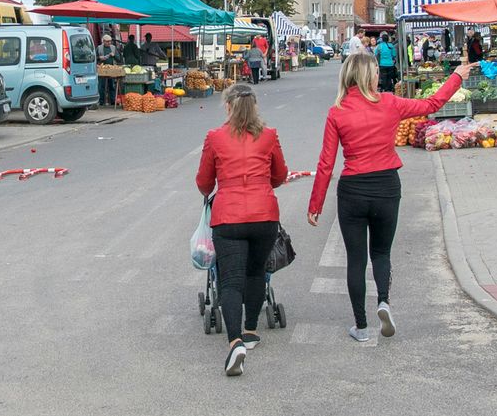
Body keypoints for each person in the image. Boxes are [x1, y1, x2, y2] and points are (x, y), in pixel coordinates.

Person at [308, 54, 474, 342]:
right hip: (387, 186)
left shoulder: (337, 111)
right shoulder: (388, 102)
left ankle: (360, 326)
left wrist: (316, 205)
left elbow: (326, 163)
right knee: (381, 253)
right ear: (367, 76)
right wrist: (457, 75)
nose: (377, 77)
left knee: (356, 260)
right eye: (373, 73)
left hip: (353, 190)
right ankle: (383, 301)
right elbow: (432, 105)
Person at [195, 83, 288, 376]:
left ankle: (234, 340)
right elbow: (280, 175)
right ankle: (250, 330)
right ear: (255, 107)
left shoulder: (215, 137)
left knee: (231, 280)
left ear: (228, 107)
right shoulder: (269, 136)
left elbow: (204, 182)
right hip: (264, 217)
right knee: (256, 272)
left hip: (228, 218)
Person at [95, 34, 118, 106]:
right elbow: (95, 58)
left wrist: (114, 56)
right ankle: (101, 101)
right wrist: (99, 58)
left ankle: (113, 101)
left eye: (110, 41)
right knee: (101, 86)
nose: (109, 43)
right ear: (103, 41)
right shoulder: (99, 48)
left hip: (111, 69)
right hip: (102, 69)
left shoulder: (113, 48)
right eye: (107, 41)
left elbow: (118, 58)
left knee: (112, 85)